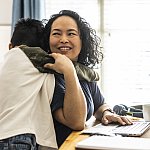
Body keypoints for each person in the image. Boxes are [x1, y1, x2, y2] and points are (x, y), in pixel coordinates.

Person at [43, 10, 133, 147]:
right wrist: (69, 71)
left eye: (71, 33)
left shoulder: (83, 73)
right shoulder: (46, 75)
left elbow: (100, 104)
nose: (63, 39)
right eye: (56, 33)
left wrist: (106, 113)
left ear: (82, 40)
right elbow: (76, 122)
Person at [0, 18, 58, 150]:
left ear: (10, 46)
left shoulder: (5, 64)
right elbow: (65, 64)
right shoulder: (32, 56)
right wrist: (93, 74)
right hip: (17, 137)